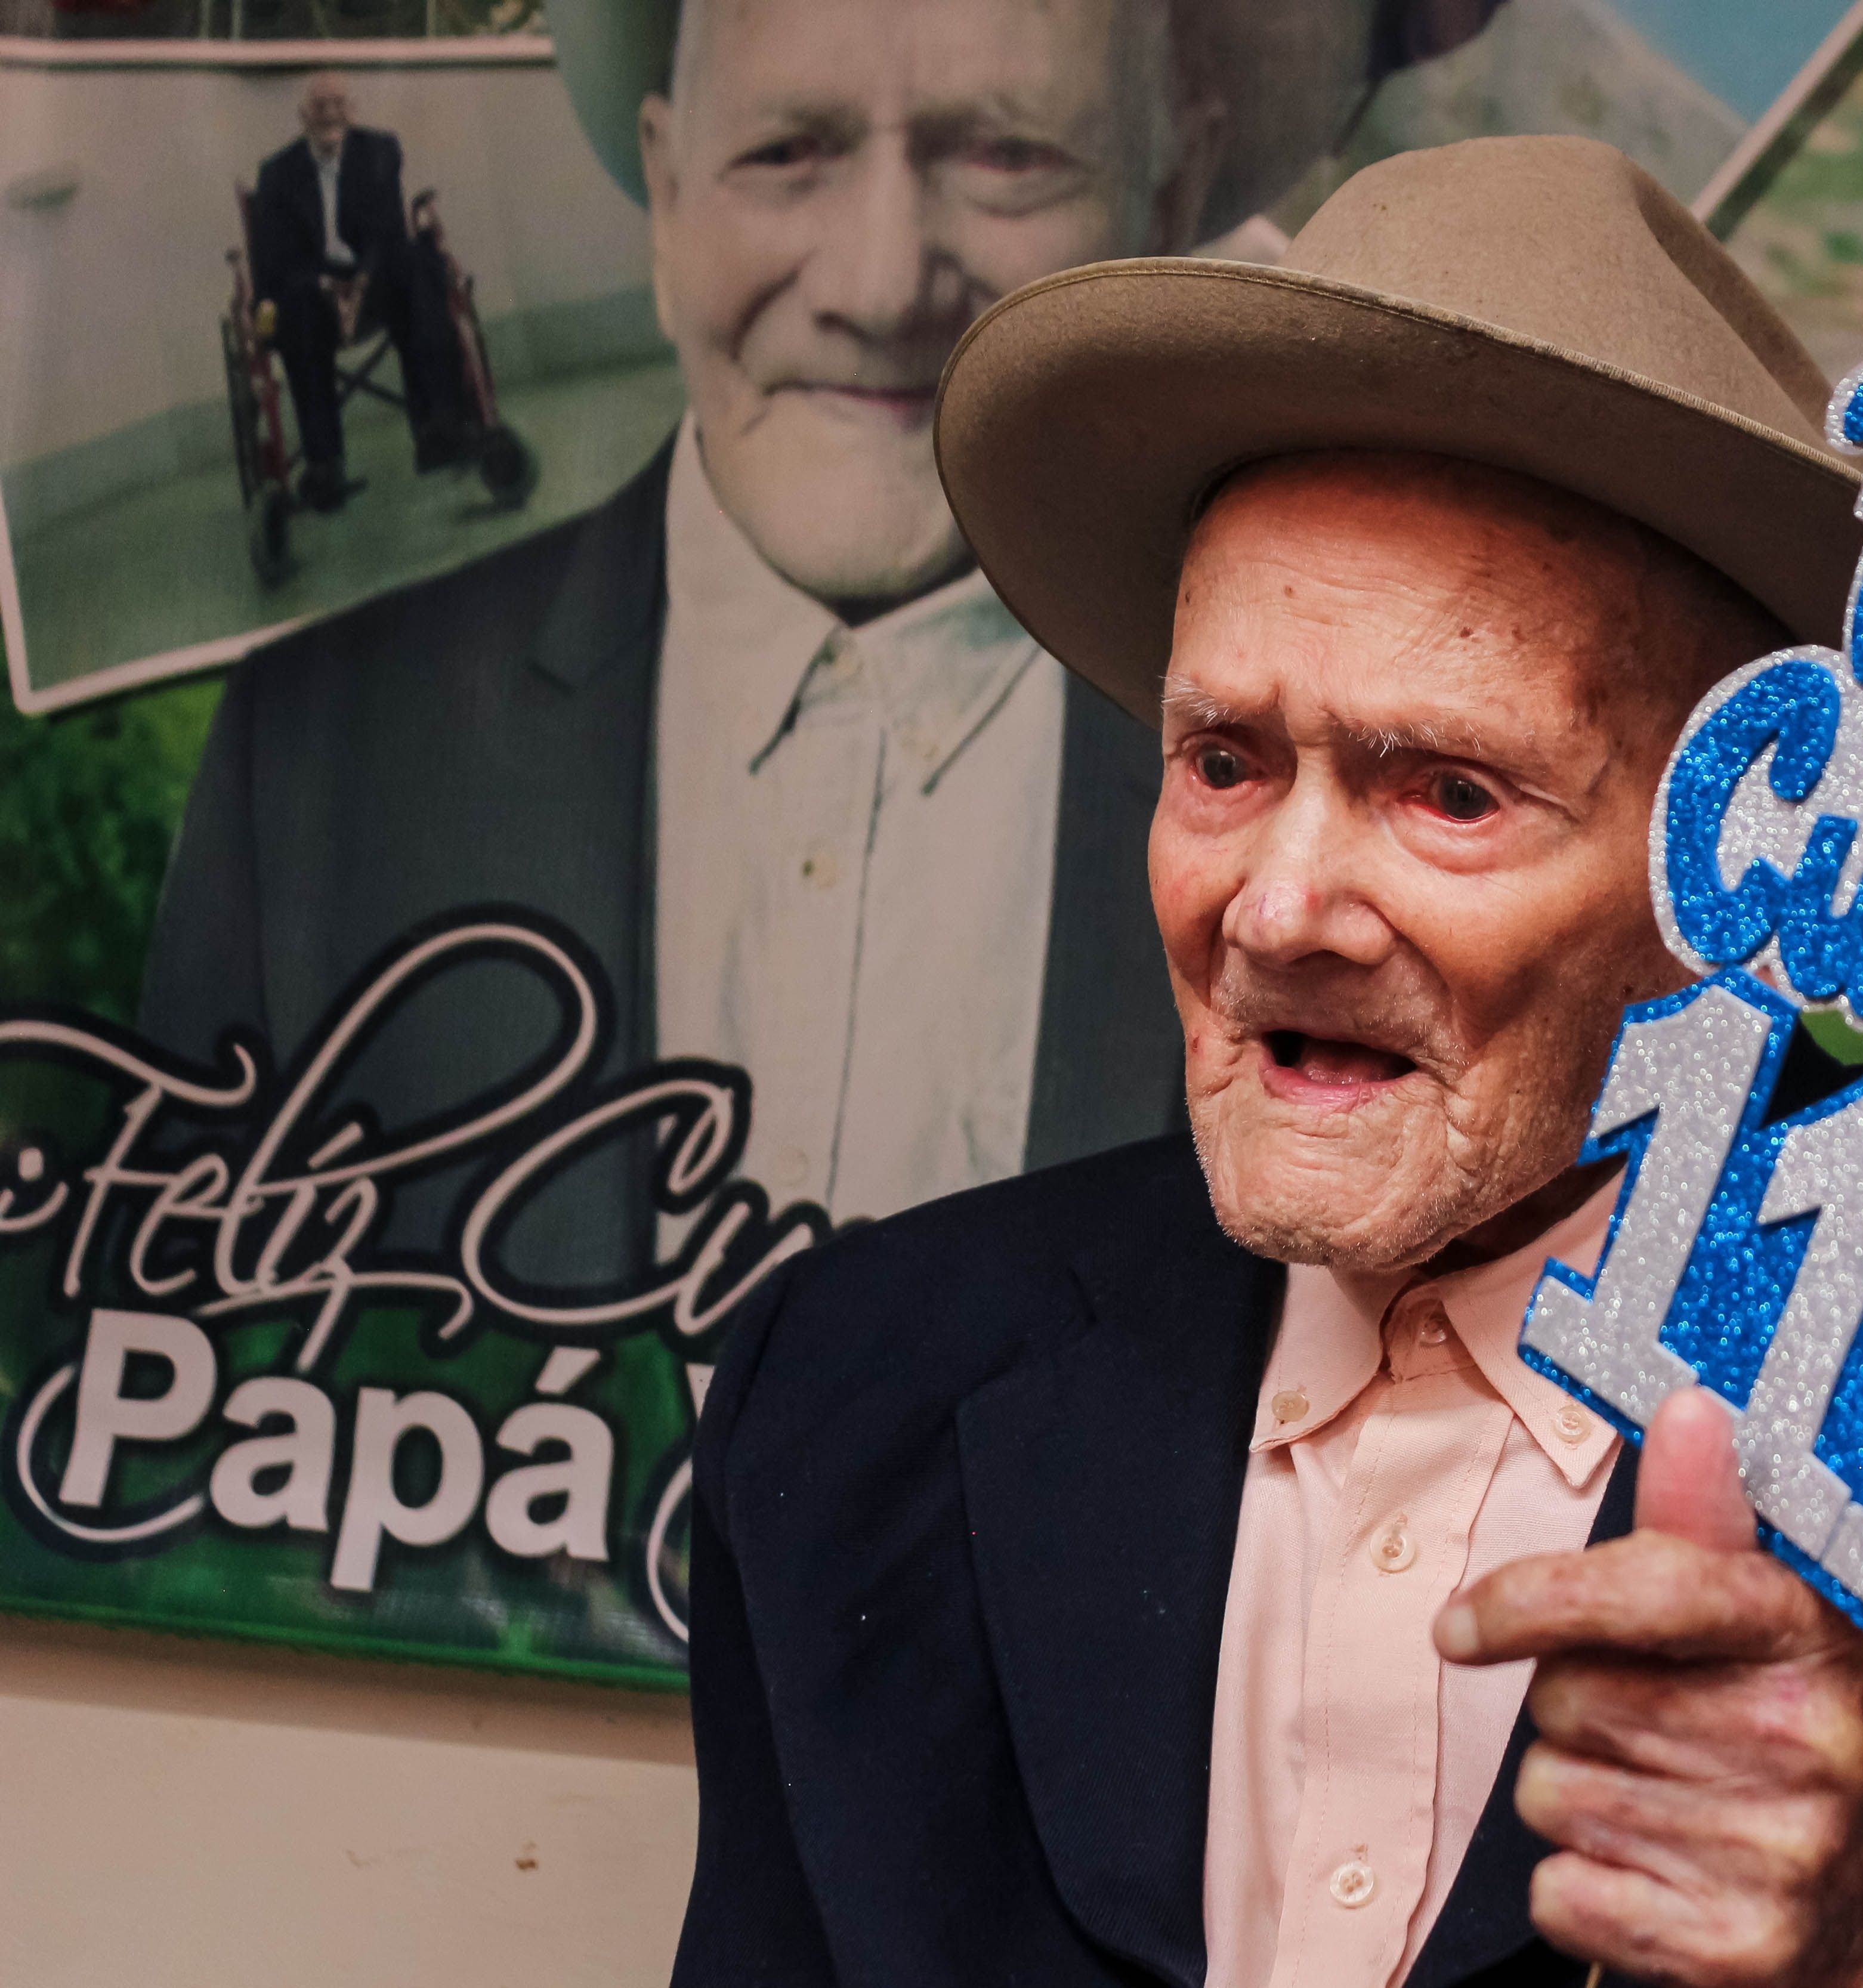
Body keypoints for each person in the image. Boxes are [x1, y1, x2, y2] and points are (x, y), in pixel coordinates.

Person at [673, 137, 1863, 1986]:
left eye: (1450, 791)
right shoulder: (854, 1390)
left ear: (1748, 869)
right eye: (1226, 761)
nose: (1277, 906)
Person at [143, 0, 1501, 1284]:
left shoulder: (1360, 841)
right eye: (787, 153)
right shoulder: (308, 757)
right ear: (668, 193)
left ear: (1163, 194)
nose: (880, 283)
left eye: (1008, 157)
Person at [246, 72, 472, 509]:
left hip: (373, 281)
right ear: (303, 115)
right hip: (314, 293)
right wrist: (327, 286)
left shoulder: (380, 151)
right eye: (319, 105)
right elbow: (276, 261)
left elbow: (386, 233)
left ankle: (438, 427)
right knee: (295, 307)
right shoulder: (277, 174)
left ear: (353, 109)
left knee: (418, 264)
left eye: (339, 104)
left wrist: (360, 284)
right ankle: (324, 465)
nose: (330, 114)